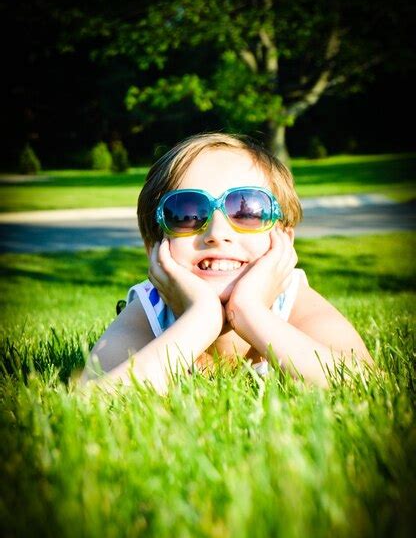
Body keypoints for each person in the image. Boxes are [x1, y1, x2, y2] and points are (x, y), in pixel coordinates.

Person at [82, 133, 372, 392]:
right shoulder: (149, 310)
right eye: (186, 213)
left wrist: (250, 312)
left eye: (248, 210)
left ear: (284, 240)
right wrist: (200, 319)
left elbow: (367, 384)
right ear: (154, 247)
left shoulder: (294, 302)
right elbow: (90, 402)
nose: (217, 233)